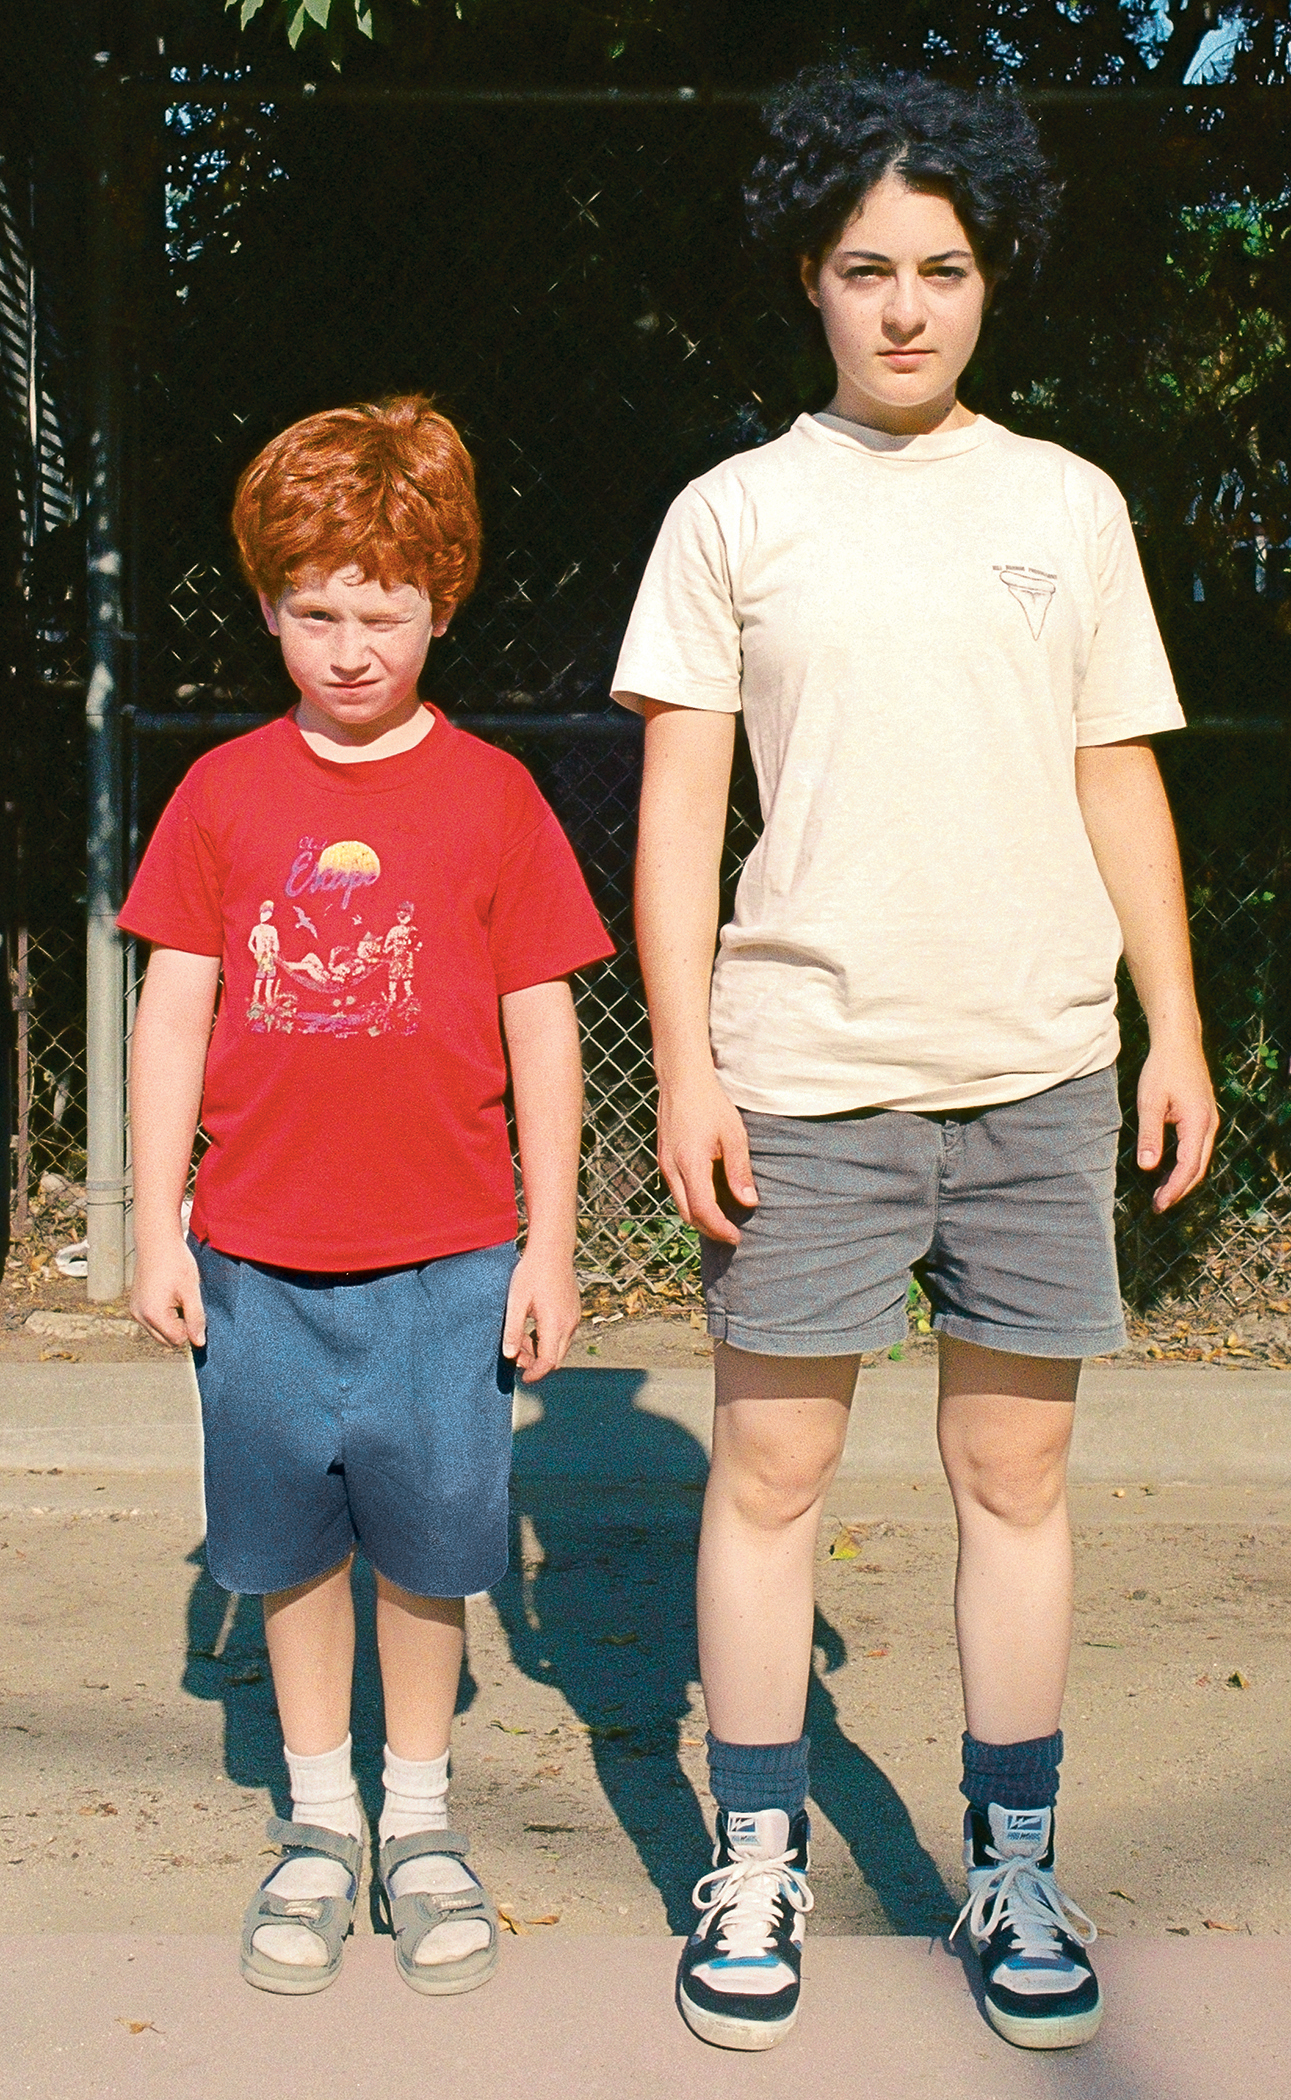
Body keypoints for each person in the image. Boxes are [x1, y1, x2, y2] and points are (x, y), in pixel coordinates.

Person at [616, 68, 1218, 2054]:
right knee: (772, 1470)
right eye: (865, 266)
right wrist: (689, 1068)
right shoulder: (735, 514)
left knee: (1010, 1475)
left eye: (940, 267)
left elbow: (1113, 772)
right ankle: (759, 1858)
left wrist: (1174, 1031)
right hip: (803, 1080)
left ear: (990, 278)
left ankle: (1011, 1867)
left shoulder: (1063, 507)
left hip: (1036, 1069)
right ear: (810, 275)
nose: (904, 305)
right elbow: (679, 808)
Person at [122, 394, 612, 1997]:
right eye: (313, 612)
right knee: (290, 1555)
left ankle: (420, 1820)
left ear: (439, 606)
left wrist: (550, 1245)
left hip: (450, 1262)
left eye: (381, 612)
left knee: (425, 1555)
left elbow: (547, 1020)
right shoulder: (221, 796)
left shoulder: (490, 800)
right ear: (266, 607)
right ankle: (319, 1824)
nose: (347, 645)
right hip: (257, 1260)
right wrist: (153, 1228)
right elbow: (174, 1009)